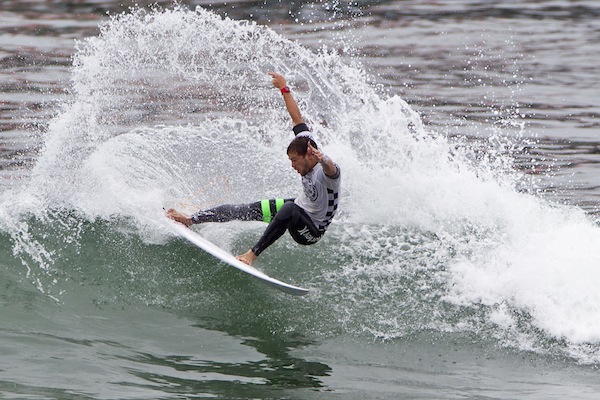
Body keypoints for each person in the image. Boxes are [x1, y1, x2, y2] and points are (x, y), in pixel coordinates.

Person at [167, 72, 341, 266]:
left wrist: (324, 158)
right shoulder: (306, 143)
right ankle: (191, 220)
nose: (292, 166)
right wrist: (284, 89)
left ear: (309, 155)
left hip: (311, 232)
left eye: (294, 160)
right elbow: (297, 118)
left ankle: (251, 255)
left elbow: (331, 169)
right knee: (246, 209)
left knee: (289, 208)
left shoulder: (326, 173)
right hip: (302, 207)